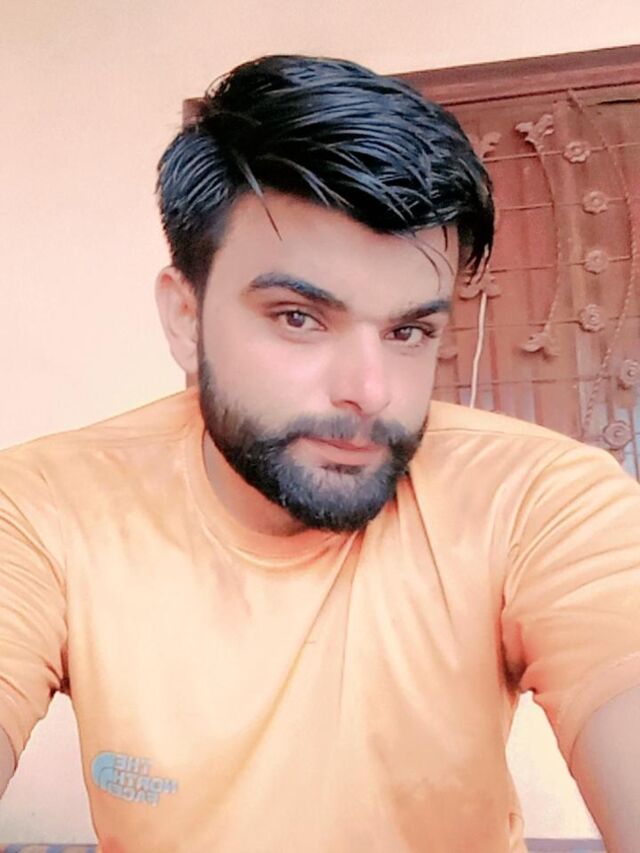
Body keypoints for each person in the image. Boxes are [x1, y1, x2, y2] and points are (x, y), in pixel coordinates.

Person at [0, 54, 639, 853]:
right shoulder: (45, 507)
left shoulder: (538, 499)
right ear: (184, 319)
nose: (370, 391)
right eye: (299, 317)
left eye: (409, 330)